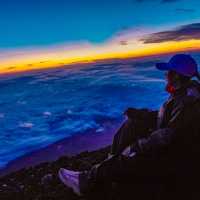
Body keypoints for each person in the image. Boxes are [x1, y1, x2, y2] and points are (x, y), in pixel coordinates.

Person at [58, 54, 200, 198]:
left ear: (176, 76)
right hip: (177, 148)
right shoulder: (183, 93)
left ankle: (86, 181)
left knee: (132, 153)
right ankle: (110, 163)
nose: (165, 74)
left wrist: (138, 146)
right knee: (133, 123)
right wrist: (139, 114)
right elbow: (164, 118)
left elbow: (167, 136)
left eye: (168, 71)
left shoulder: (188, 102)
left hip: (177, 159)